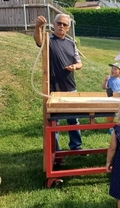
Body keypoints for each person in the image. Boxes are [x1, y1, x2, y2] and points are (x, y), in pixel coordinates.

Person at [33, 14, 83, 154]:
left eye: (65, 24)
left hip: (70, 87)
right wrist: (38, 27)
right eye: (59, 23)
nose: (62, 26)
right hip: (53, 88)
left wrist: (75, 66)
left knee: (73, 120)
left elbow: (79, 62)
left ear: (68, 28)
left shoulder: (71, 43)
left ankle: (76, 147)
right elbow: (38, 40)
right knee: (54, 122)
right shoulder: (48, 40)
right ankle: (56, 151)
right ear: (54, 24)